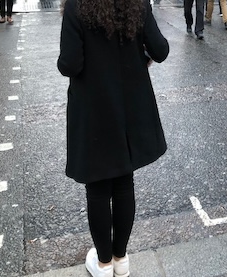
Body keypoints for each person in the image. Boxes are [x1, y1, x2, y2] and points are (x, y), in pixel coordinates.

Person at [57, 0, 169, 276]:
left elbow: (70, 64)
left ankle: (103, 263)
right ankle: (120, 259)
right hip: (130, 105)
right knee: (123, 181)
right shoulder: (137, 3)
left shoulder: (77, 6)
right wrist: (139, 59)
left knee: (97, 186)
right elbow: (161, 50)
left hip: (93, 106)